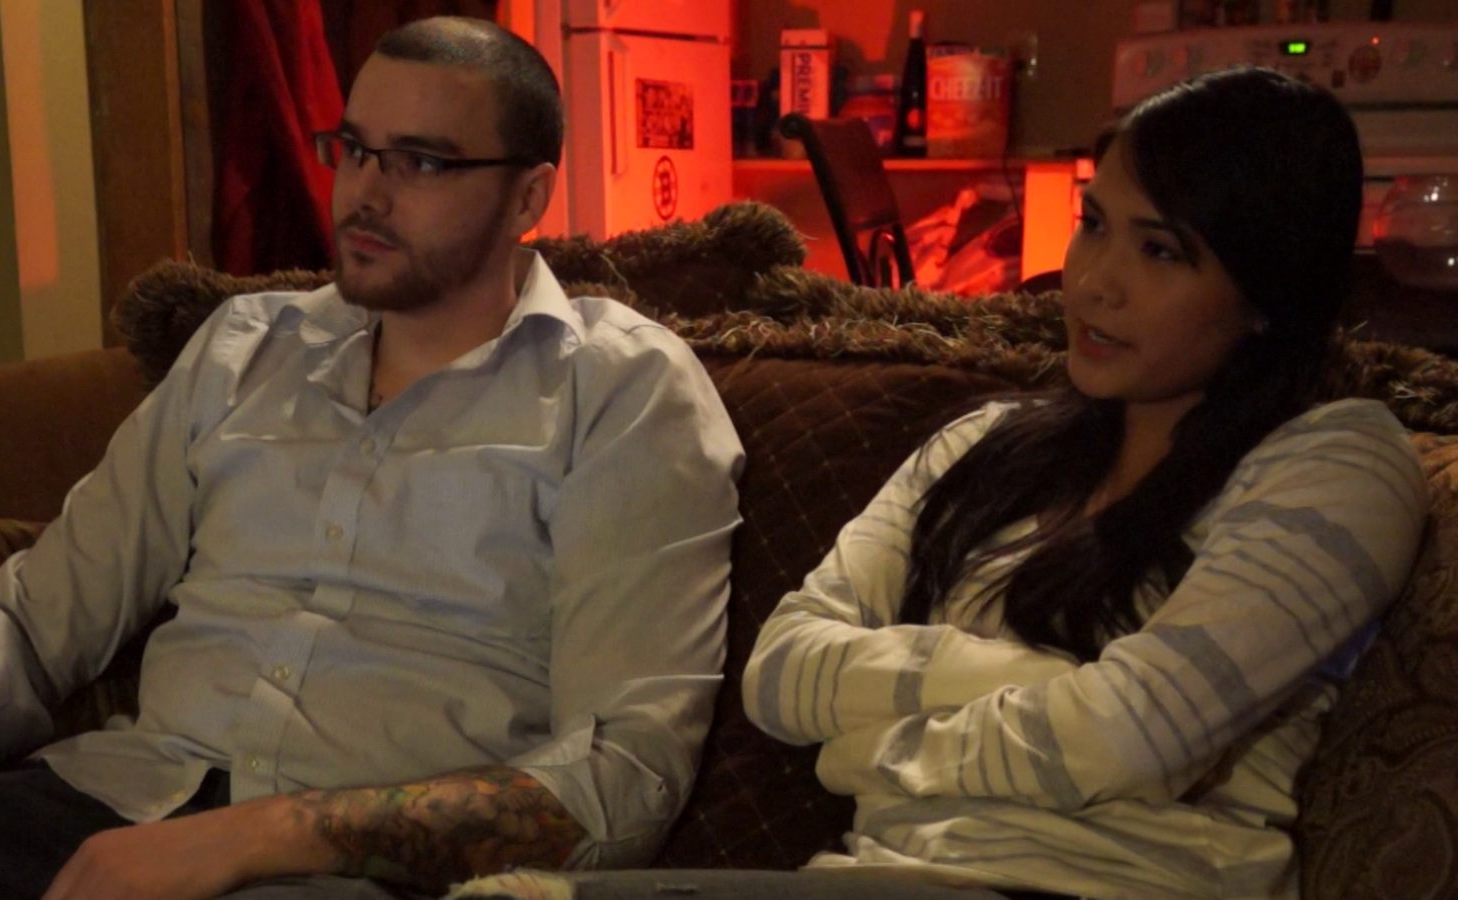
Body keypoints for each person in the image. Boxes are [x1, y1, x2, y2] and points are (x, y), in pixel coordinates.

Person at [448, 66, 1429, 900]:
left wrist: (863, 749)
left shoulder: (1334, 464)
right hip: (874, 876)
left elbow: (1126, 739)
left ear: (1268, 292)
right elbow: (781, 672)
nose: (1095, 280)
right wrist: (1049, 687)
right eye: (1094, 224)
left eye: (1161, 250)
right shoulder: (983, 445)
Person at [0, 16, 743, 900]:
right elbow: (30, 620)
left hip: (355, 869)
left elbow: (622, 778)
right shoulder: (246, 349)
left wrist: (257, 838)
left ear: (528, 197)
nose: (365, 193)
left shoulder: (620, 389)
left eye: (421, 162)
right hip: (115, 800)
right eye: (354, 150)